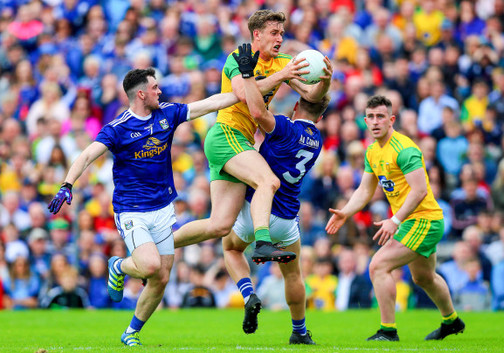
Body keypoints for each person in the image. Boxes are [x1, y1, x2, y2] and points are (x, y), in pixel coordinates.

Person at [47, 67, 240, 346]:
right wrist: (67, 184)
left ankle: (131, 332)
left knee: (161, 278)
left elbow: (208, 104)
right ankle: (120, 267)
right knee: (150, 266)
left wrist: (243, 93)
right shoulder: (118, 128)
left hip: (162, 208)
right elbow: (88, 154)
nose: (159, 92)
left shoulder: (167, 113)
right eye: (155, 88)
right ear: (141, 93)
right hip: (132, 210)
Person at [173, 9, 331, 264]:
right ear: (257, 34)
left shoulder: (283, 62)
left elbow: (311, 96)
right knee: (268, 181)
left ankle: (160, 245)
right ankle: (263, 243)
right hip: (226, 134)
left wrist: (325, 80)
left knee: (220, 225)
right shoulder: (238, 59)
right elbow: (243, 94)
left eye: (281, 33)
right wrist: (282, 75)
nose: (280, 38)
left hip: (241, 142)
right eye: (274, 33)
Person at [326, 95, 465, 341]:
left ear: (391, 120)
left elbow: (420, 190)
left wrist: (395, 220)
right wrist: (346, 212)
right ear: (365, 121)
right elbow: (365, 190)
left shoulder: (404, 149)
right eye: (370, 117)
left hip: (424, 220)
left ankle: (388, 331)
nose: (375, 121)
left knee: (378, 265)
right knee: (423, 277)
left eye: (380, 116)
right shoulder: (372, 151)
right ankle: (451, 321)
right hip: (413, 221)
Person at [222, 43, 331, 344]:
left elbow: (256, 110)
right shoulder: (317, 139)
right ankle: (299, 332)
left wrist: (247, 75)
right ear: (320, 117)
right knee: (293, 275)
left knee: (230, 248)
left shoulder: (283, 127)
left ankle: (248, 293)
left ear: (297, 106)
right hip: (287, 217)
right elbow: (315, 102)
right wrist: (325, 81)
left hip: (258, 209)